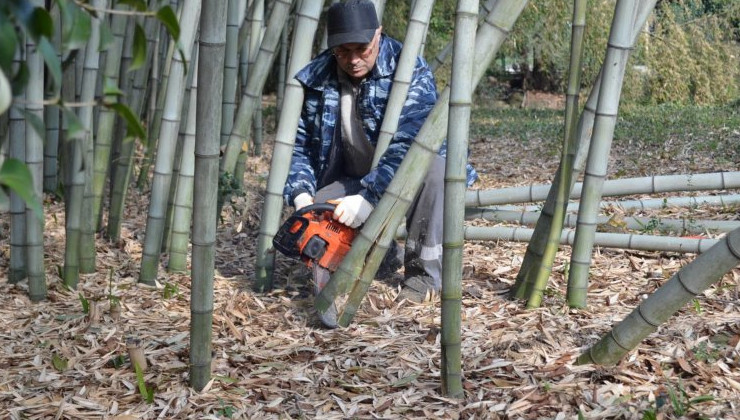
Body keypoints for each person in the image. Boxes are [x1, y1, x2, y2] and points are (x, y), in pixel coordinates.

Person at [283, 0, 477, 304]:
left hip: (409, 170)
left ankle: (423, 275)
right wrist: (301, 194)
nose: (353, 60)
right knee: (320, 210)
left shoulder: (408, 67)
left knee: (437, 173)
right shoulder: (317, 77)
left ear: (378, 34)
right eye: (342, 51)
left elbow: (411, 143)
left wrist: (370, 197)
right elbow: (301, 145)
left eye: (362, 48)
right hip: (351, 175)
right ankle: (382, 256)